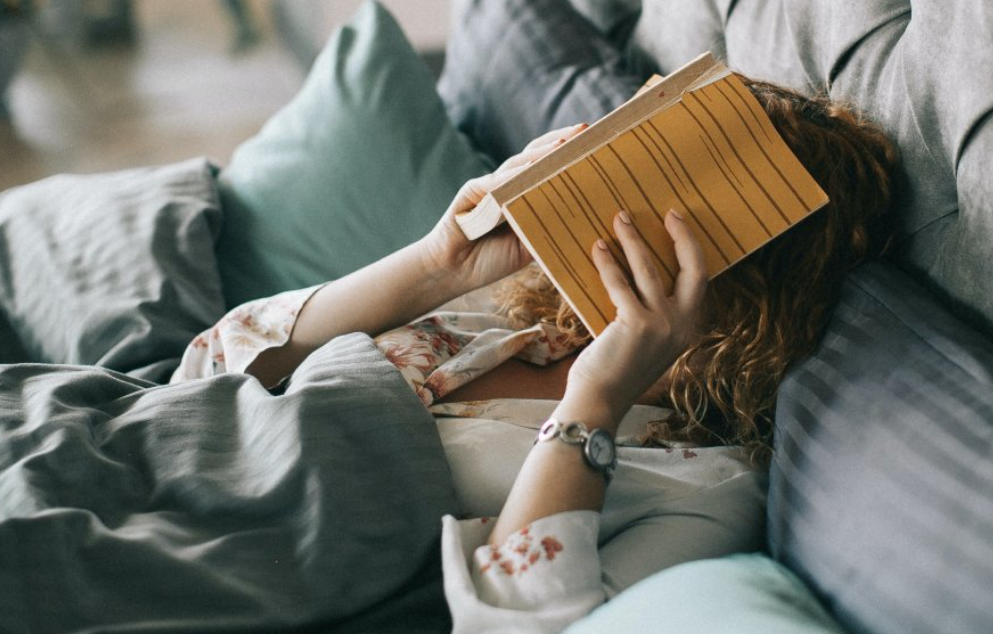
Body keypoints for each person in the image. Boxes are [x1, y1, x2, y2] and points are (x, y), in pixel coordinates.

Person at [171, 77, 898, 632]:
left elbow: (519, 621)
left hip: (199, 567)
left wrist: (597, 398)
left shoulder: (706, 492)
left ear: (751, 280)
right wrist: (433, 267)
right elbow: (210, 365)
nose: (617, 215)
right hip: (131, 449)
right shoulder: (520, 311)